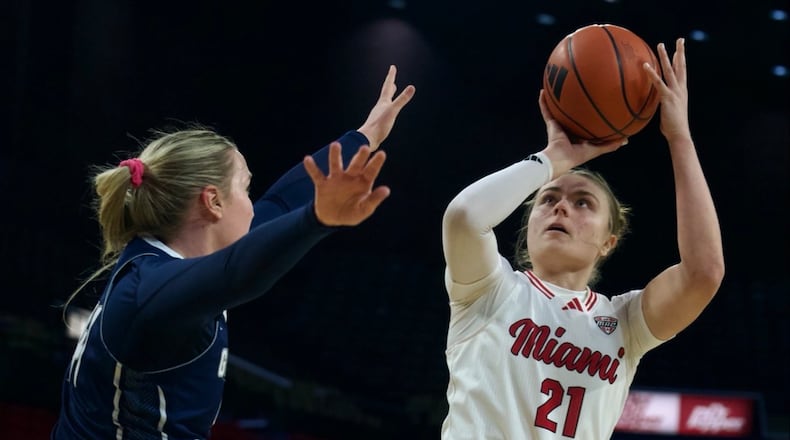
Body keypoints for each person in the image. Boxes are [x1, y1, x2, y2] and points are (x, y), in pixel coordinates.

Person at [51, 65, 415, 440]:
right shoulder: (149, 291)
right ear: (212, 202)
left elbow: (279, 205)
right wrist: (318, 219)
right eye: (245, 189)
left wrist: (366, 135)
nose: (253, 206)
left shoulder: (158, 264)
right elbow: (239, 272)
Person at [440, 38, 723, 439]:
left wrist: (680, 137)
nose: (561, 207)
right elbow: (466, 217)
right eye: (549, 199)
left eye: (583, 203)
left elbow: (703, 273)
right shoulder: (488, 289)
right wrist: (553, 160)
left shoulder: (624, 324)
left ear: (609, 241)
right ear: (529, 224)